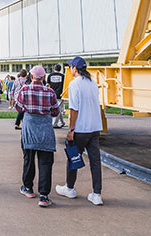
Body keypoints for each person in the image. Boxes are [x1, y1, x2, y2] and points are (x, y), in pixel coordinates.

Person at [55, 56, 103, 205]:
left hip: (81, 128)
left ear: (75, 69)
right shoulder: (93, 83)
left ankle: (70, 188)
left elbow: (74, 109)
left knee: (73, 158)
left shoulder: (75, 84)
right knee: (95, 162)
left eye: (71, 67)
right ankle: (97, 194)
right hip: (94, 128)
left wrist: (71, 129)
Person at [14, 65, 60, 207]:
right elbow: (55, 112)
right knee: (45, 162)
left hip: (29, 130)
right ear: (44, 77)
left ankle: (28, 188)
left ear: (31, 76)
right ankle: (44, 196)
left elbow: (18, 107)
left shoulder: (24, 90)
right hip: (45, 131)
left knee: (28, 158)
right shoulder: (50, 92)